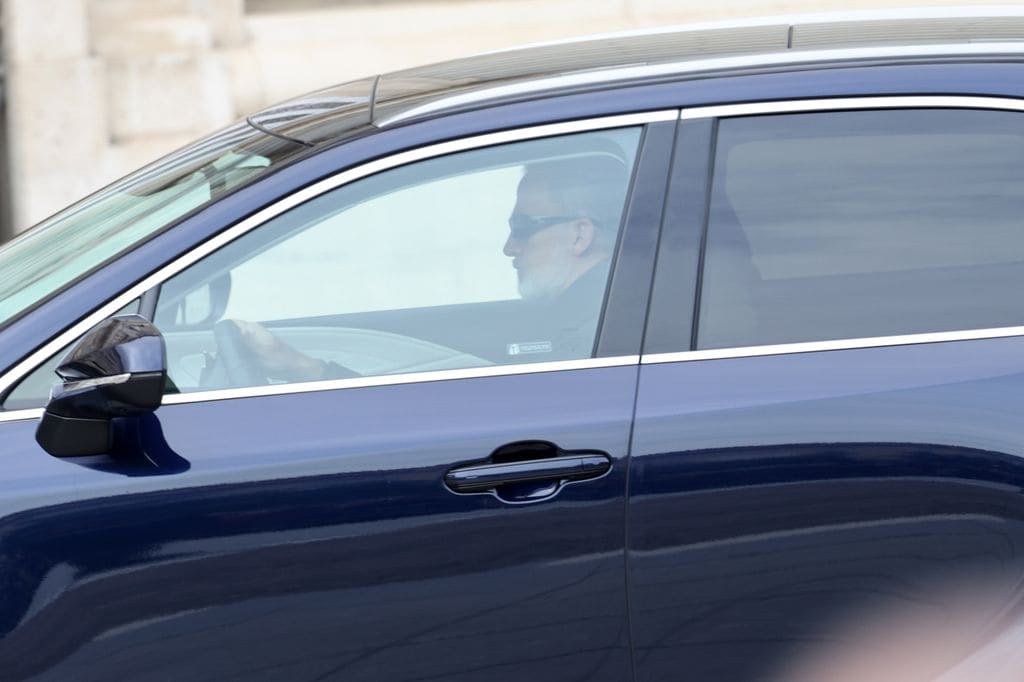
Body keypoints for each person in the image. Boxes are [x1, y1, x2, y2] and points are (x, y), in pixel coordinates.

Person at [229, 153, 630, 381]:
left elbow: (474, 413)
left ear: (581, 235)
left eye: (523, 227)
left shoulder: (587, 335)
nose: (509, 247)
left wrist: (307, 370)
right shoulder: (600, 314)